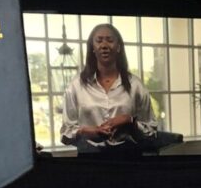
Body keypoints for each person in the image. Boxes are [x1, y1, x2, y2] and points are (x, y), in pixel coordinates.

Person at [60, 22, 158, 150]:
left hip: (129, 158)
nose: (104, 45)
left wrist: (130, 121)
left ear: (118, 47)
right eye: (99, 41)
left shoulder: (136, 86)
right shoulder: (76, 86)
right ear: (92, 48)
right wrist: (86, 131)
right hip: (89, 160)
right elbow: (65, 134)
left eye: (110, 40)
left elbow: (152, 131)